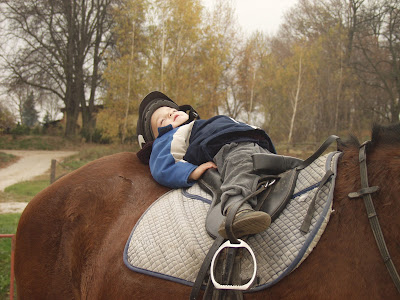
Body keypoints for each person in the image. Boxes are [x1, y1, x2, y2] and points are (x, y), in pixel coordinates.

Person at [136, 91, 276, 239]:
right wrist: (193, 171)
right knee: (239, 163)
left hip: (256, 143)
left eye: (172, 111)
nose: (170, 114)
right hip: (228, 148)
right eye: (162, 121)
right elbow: (162, 167)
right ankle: (236, 208)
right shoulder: (170, 137)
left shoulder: (199, 124)